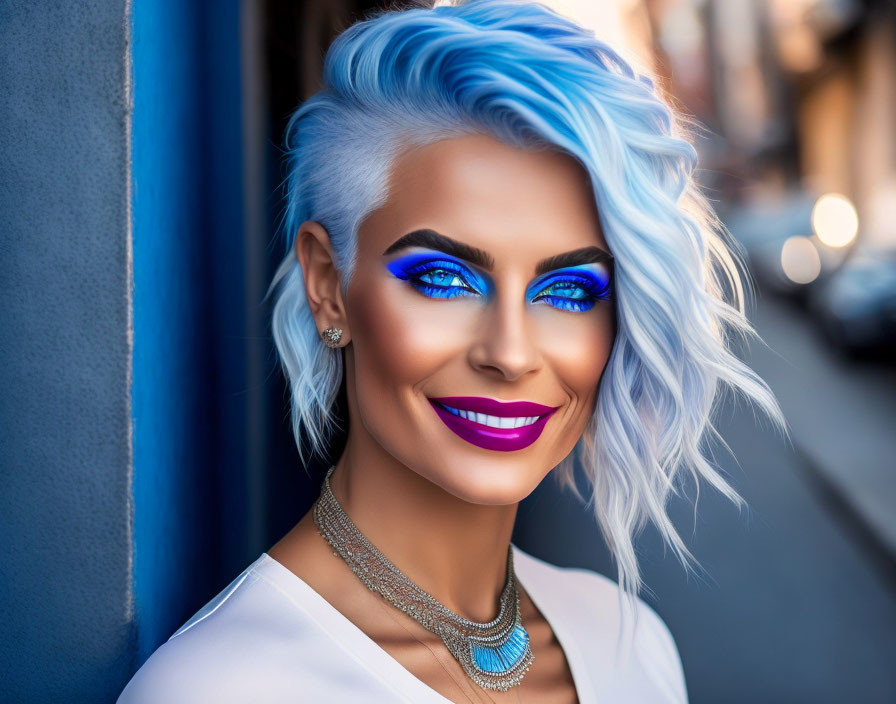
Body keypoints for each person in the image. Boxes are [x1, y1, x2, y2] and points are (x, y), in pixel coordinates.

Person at [118, 0, 784, 701]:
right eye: (444, 279)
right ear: (327, 287)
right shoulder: (214, 690)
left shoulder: (635, 647)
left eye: (566, 291)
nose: (511, 351)